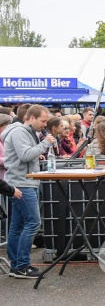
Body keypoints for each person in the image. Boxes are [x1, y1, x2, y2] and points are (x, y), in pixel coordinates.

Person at [1, 104, 56, 278]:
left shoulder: (25, 132)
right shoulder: (20, 132)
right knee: (33, 222)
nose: (45, 125)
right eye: (43, 121)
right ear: (31, 117)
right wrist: (44, 144)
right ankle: (22, 265)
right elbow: (25, 155)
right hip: (22, 183)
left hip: (22, 182)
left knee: (17, 226)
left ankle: (17, 266)